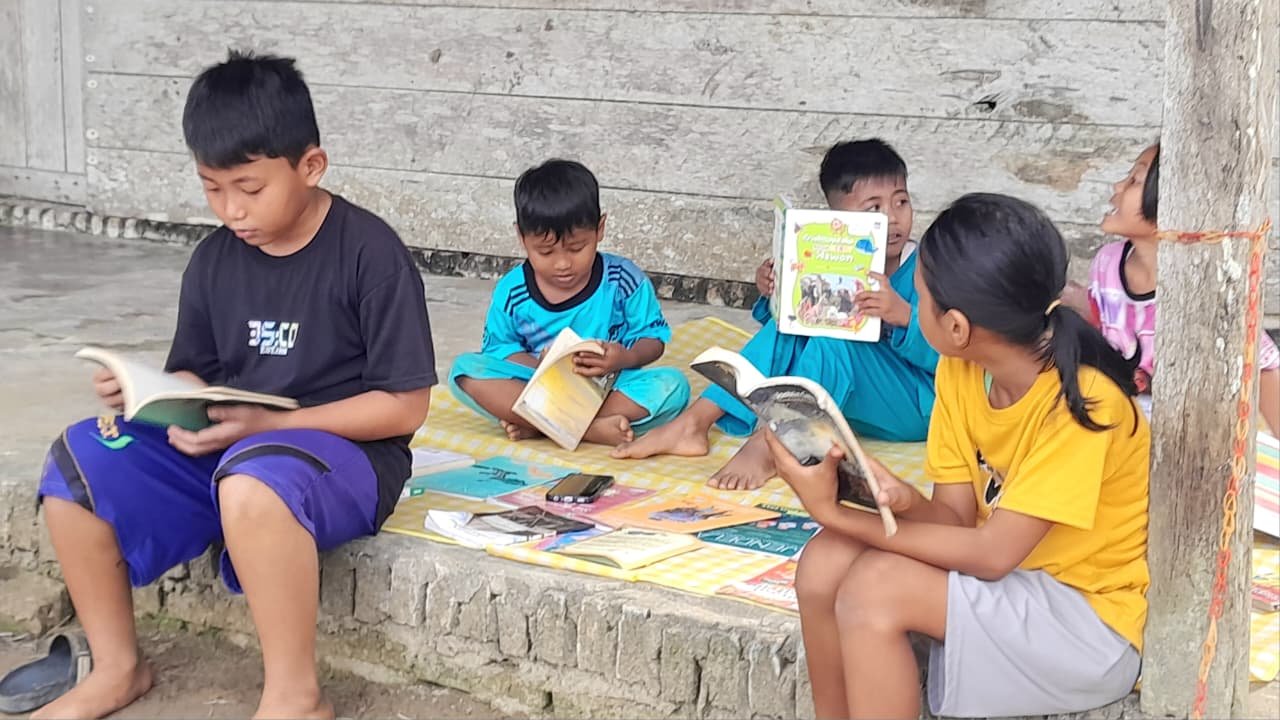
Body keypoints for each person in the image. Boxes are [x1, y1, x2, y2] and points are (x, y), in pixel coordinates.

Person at [28, 51, 436, 720]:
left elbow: (405, 407)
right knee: (81, 456)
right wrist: (150, 391)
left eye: (249, 188)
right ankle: (117, 667)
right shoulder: (214, 260)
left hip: (347, 459)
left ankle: (294, 697)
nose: (231, 209)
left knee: (253, 480)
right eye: (212, 188)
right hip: (235, 442)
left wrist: (274, 425)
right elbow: (199, 371)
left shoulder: (370, 254)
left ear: (311, 165)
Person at [770, 193, 1149, 719]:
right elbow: (954, 519)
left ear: (956, 327)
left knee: (876, 588)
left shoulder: (1083, 404)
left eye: (919, 294)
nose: (911, 302)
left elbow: (992, 553)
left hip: (1085, 623)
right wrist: (900, 500)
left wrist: (832, 512)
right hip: (1009, 584)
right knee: (824, 562)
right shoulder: (962, 369)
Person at [613, 139, 938, 490]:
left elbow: (956, 352)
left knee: (833, 341)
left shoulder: (928, 268)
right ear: (838, 220)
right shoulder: (830, 261)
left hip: (915, 403)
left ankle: (771, 444)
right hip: (850, 402)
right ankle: (694, 423)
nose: (892, 217)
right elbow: (789, 341)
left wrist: (904, 316)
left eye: (901, 201)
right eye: (874, 208)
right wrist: (778, 290)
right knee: (790, 325)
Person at [449, 159, 689, 446]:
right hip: (536, 384)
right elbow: (500, 348)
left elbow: (652, 338)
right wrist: (542, 365)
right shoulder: (513, 291)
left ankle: (540, 424)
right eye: (545, 252)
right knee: (464, 371)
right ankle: (586, 429)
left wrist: (623, 357)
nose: (563, 264)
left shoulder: (623, 280)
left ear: (600, 229)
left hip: (607, 385)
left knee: (674, 386)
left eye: (577, 248)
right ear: (521, 237)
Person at [1068, 143, 1280, 435]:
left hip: (1191, 432)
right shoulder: (1108, 261)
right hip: (1126, 422)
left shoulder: (1204, 286)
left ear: (1171, 202)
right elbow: (1102, 323)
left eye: (1134, 180)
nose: (1117, 186)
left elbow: (1261, 364)